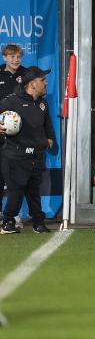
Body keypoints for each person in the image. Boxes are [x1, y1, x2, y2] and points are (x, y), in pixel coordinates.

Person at [0, 67, 55, 234]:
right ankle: (8, 221)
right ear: (32, 84)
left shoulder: (42, 103)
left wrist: (49, 138)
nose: (46, 83)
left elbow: (47, 124)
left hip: (36, 155)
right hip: (15, 155)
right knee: (16, 190)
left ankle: (38, 222)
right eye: (42, 80)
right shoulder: (11, 102)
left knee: (34, 191)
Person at [0, 44, 26, 222]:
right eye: (12, 57)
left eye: (18, 57)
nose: (15, 60)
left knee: (17, 174)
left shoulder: (27, 74)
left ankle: (13, 214)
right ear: (4, 58)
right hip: (1, 131)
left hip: (21, 133)